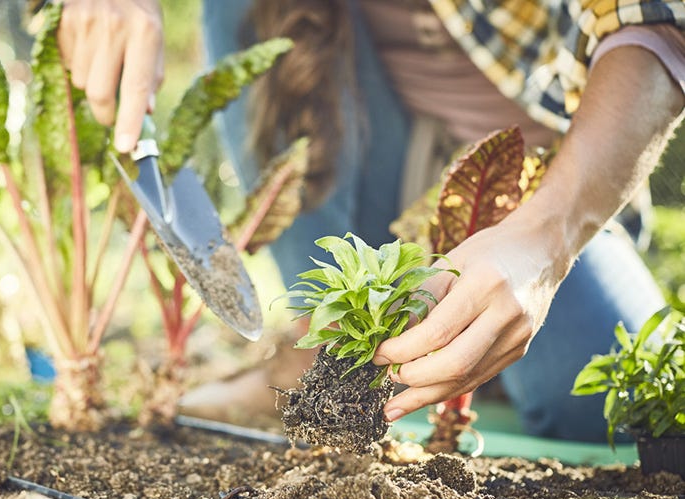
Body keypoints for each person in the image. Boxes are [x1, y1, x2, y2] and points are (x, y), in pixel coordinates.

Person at [55, 0, 685, 442]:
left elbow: (659, 29)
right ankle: (317, 346)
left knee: (612, 415)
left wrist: (546, 239)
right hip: (363, 140)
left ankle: (459, 348)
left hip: (528, 179)